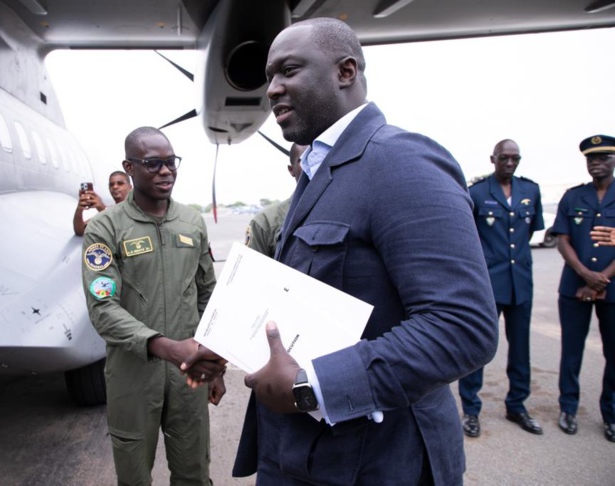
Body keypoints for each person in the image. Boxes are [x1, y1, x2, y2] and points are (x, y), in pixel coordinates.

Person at [184, 18, 498, 484]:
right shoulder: (319, 168)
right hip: (305, 452)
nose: (271, 89)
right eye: (270, 76)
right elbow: (310, 294)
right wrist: (230, 341)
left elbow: (462, 327)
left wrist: (312, 387)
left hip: (376, 460)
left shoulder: (399, 160)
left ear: (345, 71)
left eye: (288, 70)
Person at [81, 126, 226, 485]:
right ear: (129, 167)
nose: (166, 171)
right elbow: (103, 309)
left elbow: (209, 294)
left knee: (194, 471)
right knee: (133, 475)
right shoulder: (105, 228)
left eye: (171, 162)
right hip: (133, 375)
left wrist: (217, 363)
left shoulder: (191, 222)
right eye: (153, 163)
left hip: (188, 373)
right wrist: (165, 346)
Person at [458, 140, 545, 438]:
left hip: (521, 283)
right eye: (504, 158)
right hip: (489, 285)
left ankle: (517, 405)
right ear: (493, 159)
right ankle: (471, 409)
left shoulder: (529, 191)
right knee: (479, 347)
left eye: (515, 158)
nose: (510, 163)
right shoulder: (478, 192)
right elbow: (467, 235)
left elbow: (530, 230)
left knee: (521, 350)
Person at [550, 134, 615, 443]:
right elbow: (561, 238)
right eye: (591, 158)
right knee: (571, 351)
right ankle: (568, 408)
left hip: (612, 288)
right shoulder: (573, 197)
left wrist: (602, 277)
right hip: (574, 286)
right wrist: (585, 274)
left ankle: (611, 413)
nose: (596, 163)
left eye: (603, 157)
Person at [245, 143, 306, 257]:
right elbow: (253, 271)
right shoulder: (265, 222)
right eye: (305, 159)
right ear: (291, 170)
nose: (314, 164)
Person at [73, 171, 132, 236]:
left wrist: (102, 208)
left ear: (130, 187)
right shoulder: (109, 210)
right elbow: (79, 231)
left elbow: (126, 227)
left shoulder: (137, 207)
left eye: (120, 183)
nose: (115, 187)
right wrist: (79, 210)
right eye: (111, 184)